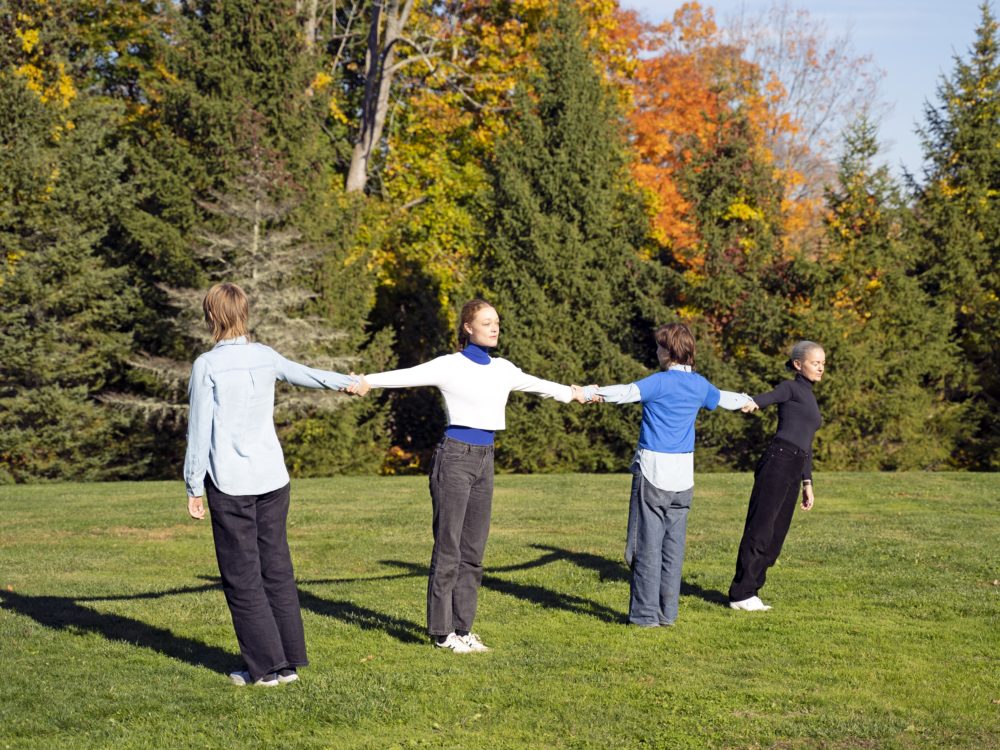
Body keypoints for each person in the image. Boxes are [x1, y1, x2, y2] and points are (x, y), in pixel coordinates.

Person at [349, 299, 591, 653]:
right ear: (468, 327)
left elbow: (541, 385)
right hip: (455, 458)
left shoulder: (504, 369)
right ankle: (441, 633)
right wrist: (368, 381)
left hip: (485, 459)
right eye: (486, 322)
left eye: (497, 322)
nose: (494, 327)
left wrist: (575, 393)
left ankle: (463, 629)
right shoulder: (450, 366)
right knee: (448, 547)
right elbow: (408, 375)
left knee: (473, 551)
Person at [184, 282, 357, 686]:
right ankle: (287, 664)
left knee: (243, 577)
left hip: (231, 484)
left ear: (211, 317)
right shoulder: (265, 357)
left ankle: (264, 671)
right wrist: (346, 382)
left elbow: (198, 431)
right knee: (276, 570)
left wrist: (193, 486)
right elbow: (309, 376)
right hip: (273, 481)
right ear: (244, 314)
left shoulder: (206, 365)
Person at [594, 323, 751, 627]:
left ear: (668, 351)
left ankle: (644, 617)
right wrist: (746, 400)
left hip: (653, 475)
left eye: (658, 346)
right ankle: (668, 615)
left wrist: (590, 392)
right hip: (684, 481)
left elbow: (626, 393)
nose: (656, 351)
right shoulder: (701, 385)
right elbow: (725, 398)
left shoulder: (660, 382)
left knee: (643, 549)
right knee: (672, 550)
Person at [728, 340, 825, 612]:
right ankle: (741, 593)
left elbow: (806, 443)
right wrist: (751, 403)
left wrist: (808, 482)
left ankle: (752, 591)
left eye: (823, 363)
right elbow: (766, 398)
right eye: (815, 363)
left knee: (776, 534)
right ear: (798, 364)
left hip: (795, 465)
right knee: (761, 528)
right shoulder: (790, 388)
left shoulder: (810, 395)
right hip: (778, 461)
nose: (820, 368)